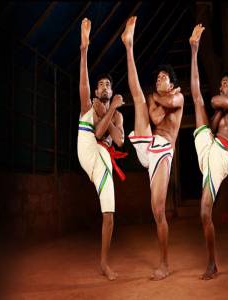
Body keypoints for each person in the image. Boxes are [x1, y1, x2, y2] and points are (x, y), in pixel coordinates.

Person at [121, 16, 184, 280]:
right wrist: (148, 100)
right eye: (157, 77)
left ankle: (165, 263)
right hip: (147, 145)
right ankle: (129, 46)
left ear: (172, 83)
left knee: (158, 210)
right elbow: (150, 112)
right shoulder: (155, 97)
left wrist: (153, 99)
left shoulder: (178, 96)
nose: (158, 80)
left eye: (163, 77)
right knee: (136, 100)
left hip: (162, 152)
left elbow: (159, 116)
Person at [189, 24, 228, 280]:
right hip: (210, 145)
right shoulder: (224, 110)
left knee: (204, 212)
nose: (222, 87)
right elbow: (209, 120)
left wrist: (219, 103)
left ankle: (212, 263)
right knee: (196, 99)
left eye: (226, 84)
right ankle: (194, 49)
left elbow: (214, 101)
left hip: (222, 154)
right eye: (221, 84)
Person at [77, 17, 126, 281]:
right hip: (87, 146)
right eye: (102, 85)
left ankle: (104, 263)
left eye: (109, 84)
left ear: (112, 90)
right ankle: (83, 47)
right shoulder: (92, 104)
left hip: (103, 158)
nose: (105, 87)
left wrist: (114, 109)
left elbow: (118, 141)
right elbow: (97, 133)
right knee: (84, 105)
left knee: (109, 214)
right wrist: (85, 49)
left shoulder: (116, 114)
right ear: (97, 91)